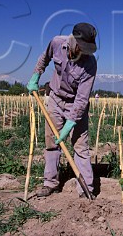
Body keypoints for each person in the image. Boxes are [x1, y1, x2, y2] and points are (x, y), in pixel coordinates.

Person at [26, 22, 97, 199]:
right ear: (73, 40)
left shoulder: (90, 64)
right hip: (55, 99)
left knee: (80, 146)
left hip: (75, 104)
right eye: (82, 47)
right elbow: (44, 58)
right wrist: (36, 75)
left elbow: (82, 99)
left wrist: (70, 124)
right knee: (52, 143)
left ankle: (86, 188)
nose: (84, 52)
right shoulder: (57, 43)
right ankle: (50, 183)